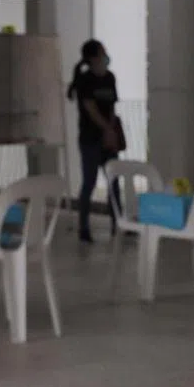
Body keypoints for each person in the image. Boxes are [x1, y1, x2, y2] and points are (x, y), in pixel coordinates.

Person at [68, 39, 122, 244]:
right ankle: (83, 227)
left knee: (114, 182)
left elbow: (111, 108)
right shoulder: (85, 80)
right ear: (92, 58)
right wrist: (107, 129)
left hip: (108, 139)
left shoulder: (110, 78)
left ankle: (119, 223)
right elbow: (90, 109)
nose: (106, 56)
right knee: (89, 182)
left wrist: (112, 130)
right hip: (90, 139)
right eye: (102, 52)